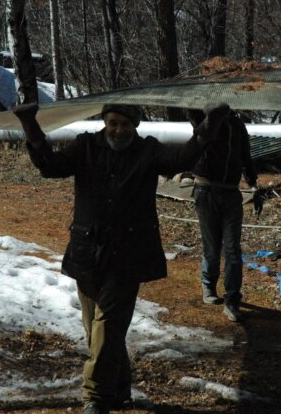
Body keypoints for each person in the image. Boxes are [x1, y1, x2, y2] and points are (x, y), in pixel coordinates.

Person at [13, 101, 229, 414]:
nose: (118, 129)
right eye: (113, 123)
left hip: (128, 256)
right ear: (104, 122)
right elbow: (50, 166)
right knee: (99, 332)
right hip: (87, 252)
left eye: (125, 124)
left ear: (135, 126)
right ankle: (118, 391)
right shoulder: (86, 146)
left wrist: (208, 127)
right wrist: (29, 124)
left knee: (106, 326)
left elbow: (181, 158)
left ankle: (95, 398)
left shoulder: (148, 151)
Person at [187, 106, 262, 323]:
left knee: (232, 249)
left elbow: (245, 155)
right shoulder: (204, 119)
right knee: (212, 247)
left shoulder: (237, 125)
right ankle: (208, 284)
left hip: (231, 193)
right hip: (206, 190)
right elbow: (192, 113)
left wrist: (254, 185)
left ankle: (232, 299)